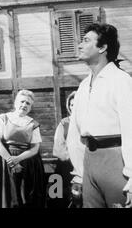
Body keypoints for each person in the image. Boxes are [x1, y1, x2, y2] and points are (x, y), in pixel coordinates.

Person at [67, 23, 132, 208]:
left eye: (86, 40)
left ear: (103, 47)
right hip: (89, 164)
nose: (79, 45)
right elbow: (75, 133)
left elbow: (131, 130)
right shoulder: (83, 85)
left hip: (117, 163)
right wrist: (79, 173)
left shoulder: (122, 81)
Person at [0, 89, 46, 208]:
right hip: (3, 162)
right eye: (22, 101)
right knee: (5, 198)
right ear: (16, 103)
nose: (24, 105)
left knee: (24, 198)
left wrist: (18, 159)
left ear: (31, 107)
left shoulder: (33, 124)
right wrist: (10, 160)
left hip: (26, 163)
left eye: (28, 103)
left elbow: (35, 148)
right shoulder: (3, 118)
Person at [49, 91, 77, 208]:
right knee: (62, 198)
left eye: (77, 103)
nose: (74, 107)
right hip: (67, 165)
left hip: (88, 166)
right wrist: (74, 159)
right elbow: (58, 148)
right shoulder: (64, 123)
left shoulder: (90, 121)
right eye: (71, 104)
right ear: (68, 106)